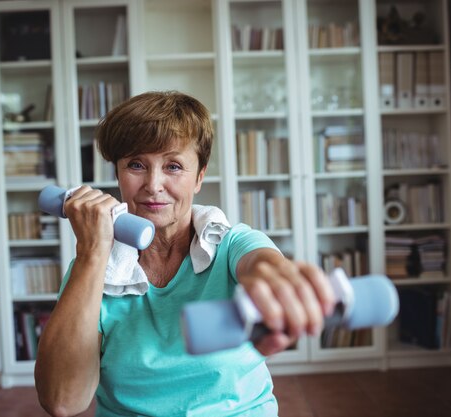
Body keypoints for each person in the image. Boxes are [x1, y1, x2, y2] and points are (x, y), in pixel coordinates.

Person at [34, 91, 336, 417]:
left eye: (173, 166)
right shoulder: (91, 269)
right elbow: (62, 400)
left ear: (199, 177)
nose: (153, 184)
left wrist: (277, 281)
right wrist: (92, 254)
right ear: (118, 174)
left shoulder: (233, 244)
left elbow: (261, 264)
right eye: (136, 164)